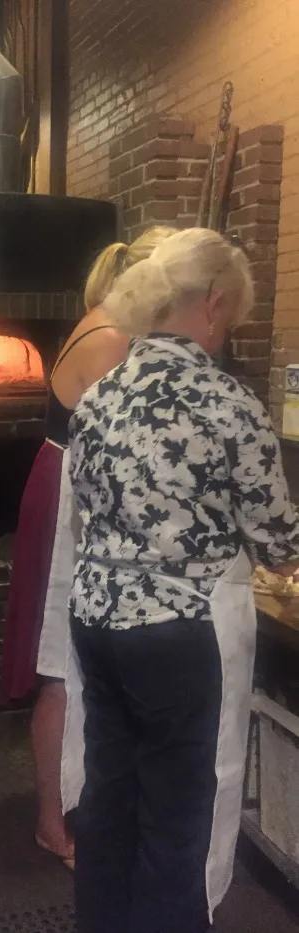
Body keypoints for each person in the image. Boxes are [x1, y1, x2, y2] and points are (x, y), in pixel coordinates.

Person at [67, 227, 299, 933]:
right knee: (178, 819)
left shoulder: (99, 394)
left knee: (109, 802)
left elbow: (84, 506)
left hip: (98, 620)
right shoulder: (228, 403)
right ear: (213, 301)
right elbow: (278, 540)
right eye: (230, 317)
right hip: (179, 632)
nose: (226, 333)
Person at [0, 226, 175, 868]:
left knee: (74, 664)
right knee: (60, 667)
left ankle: (83, 803)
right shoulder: (109, 339)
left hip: (71, 489)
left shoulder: (107, 326)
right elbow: (127, 451)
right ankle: (52, 822)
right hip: (71, 501)